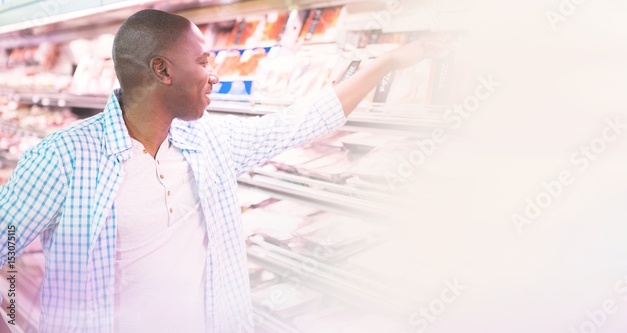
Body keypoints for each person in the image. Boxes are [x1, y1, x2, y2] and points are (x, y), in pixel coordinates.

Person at [0, 9, 444, 333]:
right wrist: (16, 314)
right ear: (162, 70)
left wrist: (386, 64)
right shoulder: (63, 158)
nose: (214, 75)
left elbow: (301, 122)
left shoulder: (207, 140)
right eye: (204, 62)